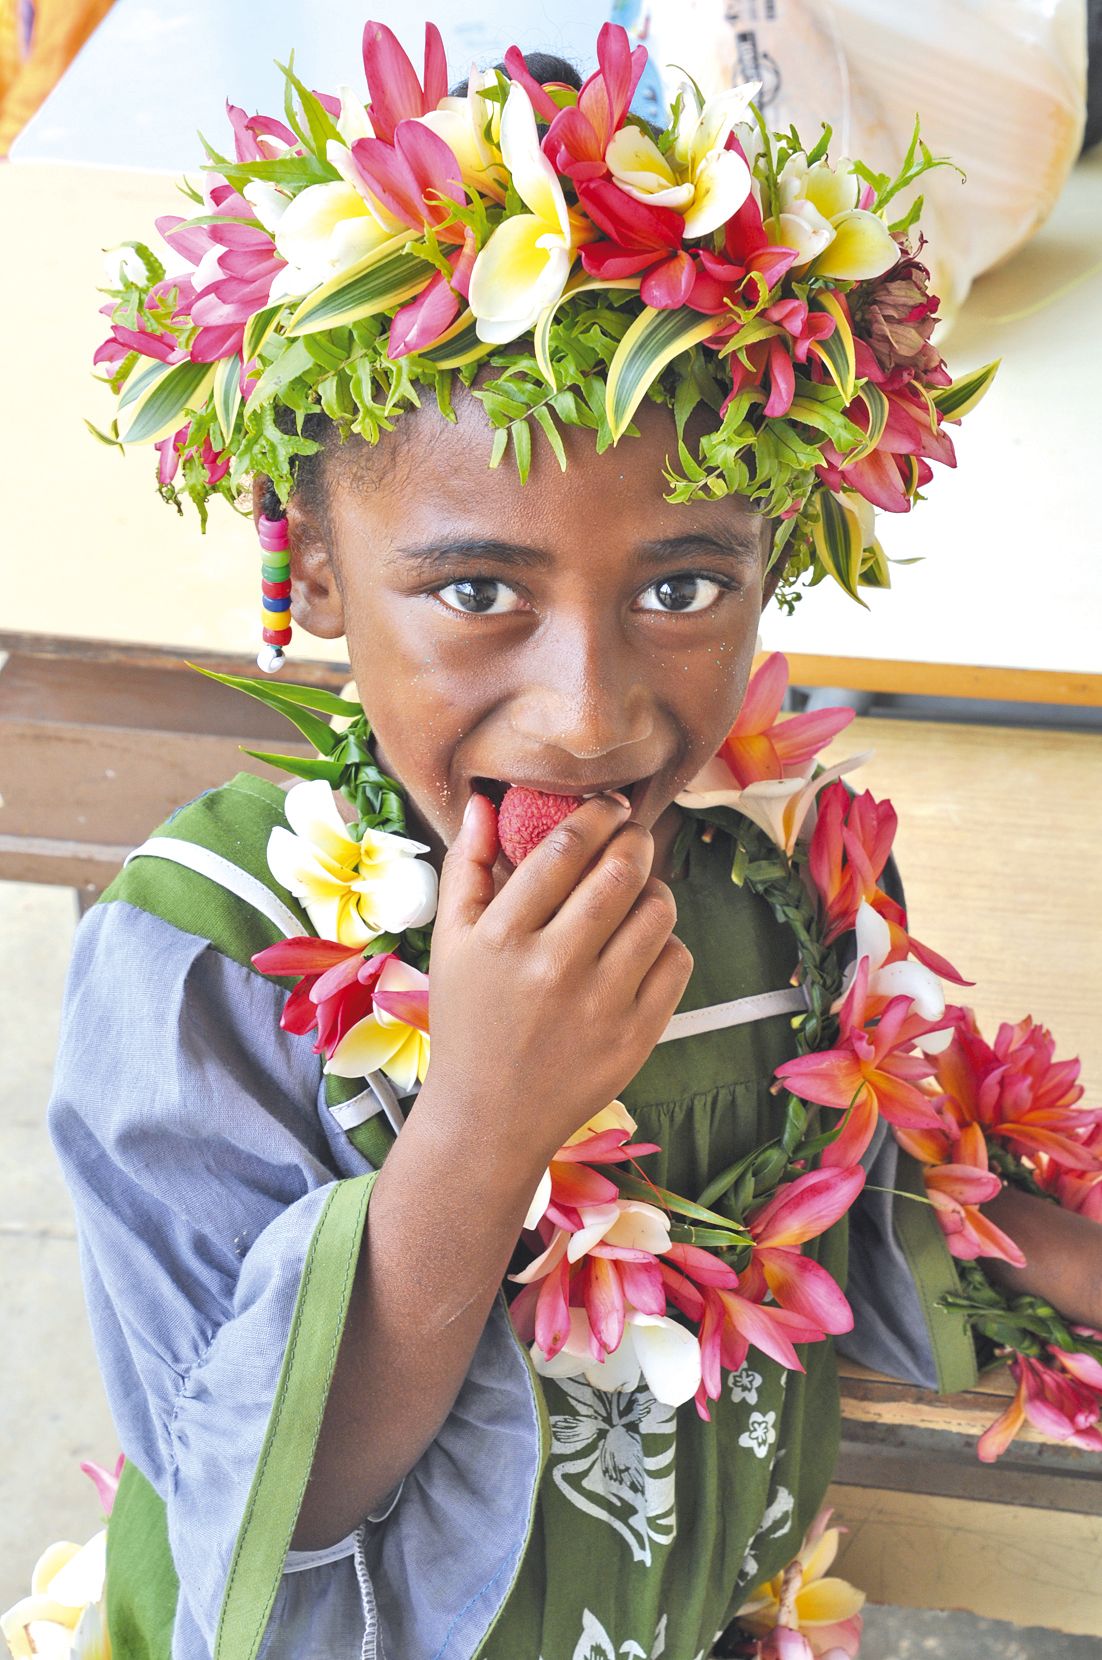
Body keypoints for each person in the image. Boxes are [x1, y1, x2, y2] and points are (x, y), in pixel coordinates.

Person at [40, 17, 1101, 1660]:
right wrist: (481, 1119)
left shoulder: (761, 894)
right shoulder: (208, 952)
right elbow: (265, 1507)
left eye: (682, 590)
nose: (591, 714)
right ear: (314, 571)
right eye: (477, 592)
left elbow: (829, 1219)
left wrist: (1055, 1250)